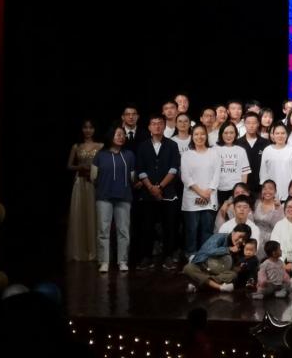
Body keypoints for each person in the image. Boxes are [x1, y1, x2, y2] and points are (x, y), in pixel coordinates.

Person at [134, 115, 181, 270]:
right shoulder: (143, 146)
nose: (157, 126)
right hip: (147, 194)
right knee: (147, 227)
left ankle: (168, 257)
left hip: (168, 193)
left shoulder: (172, 145)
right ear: (149, 127)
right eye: (153, 124)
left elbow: (174, 169)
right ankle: (146, 257)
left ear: (164, 126)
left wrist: (160, 187)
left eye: (160, 123)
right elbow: (140, 170)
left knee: (169, 227)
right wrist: (151, 188)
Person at [93, 125, 137, 273]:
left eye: (123, 134)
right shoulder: (100, 155)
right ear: (110, 136)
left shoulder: (129, 155)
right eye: (118, 134)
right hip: (104, 197)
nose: (121, 137)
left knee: (123, 230)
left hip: (124, 197)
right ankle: (104, 262)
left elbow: (132, 177)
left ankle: (122, 261)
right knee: (103, 230)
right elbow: (93, 177)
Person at [181, 124, 221, 260]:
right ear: (192, 137)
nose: (199, 137)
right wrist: (201, 193)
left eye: (202, 134)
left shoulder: (214, 153)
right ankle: (191, 255)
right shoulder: (187, 155)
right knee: (191, 230)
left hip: (210, 197)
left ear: (206, 136)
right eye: (196, 134)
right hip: (191, 198)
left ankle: (205, 256)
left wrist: (207, 192)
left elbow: (216, 175)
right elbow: (186, 177)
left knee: (207, 229)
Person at [67, 119, 103, 262]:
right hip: (80, 183)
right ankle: (79, 250)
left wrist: (94, 171)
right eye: (85, 127)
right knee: (80, 214)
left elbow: (104, 166)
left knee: (94, 214)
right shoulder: (76, 146)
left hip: (94, 183)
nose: (88, 130)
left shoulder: (100, 146)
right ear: (82, 129)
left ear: (95, 129)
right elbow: (69, 165)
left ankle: (94, 251)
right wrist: (80, 167)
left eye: (91, 127)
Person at [183, 223, 252, 294]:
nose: (241, 240)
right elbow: (208, 251)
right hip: (203, 268)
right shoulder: (219, 237)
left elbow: (233, 266)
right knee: (188, 268)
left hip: (218, 274)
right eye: (240, 236)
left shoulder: (240, 248)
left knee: (233, 275)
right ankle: (219, 287)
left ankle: (198, 283)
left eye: (244, 239)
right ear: (233, 232)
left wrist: (238, 267)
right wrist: (228, 249)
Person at [258, 123, 292, 201]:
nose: (280, 136)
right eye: (277, 133)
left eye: (283, 133)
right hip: (271, 193)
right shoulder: (267, 150)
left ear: (287, 135)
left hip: (289, 192)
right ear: (273, 135)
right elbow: (263, 173)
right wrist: (265, 190)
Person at [214, 122, 251, 206]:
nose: (229, 135)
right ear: (221, 134)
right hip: (219, 189)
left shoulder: (241, 150)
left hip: (236, 191)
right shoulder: (214, 150)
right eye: (226, 133)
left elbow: (244, 173)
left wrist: (242, 191)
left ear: (235, 134)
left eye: (231, 133)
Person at [235, 112, 269, 193]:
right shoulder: (237, 143)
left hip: (261, 186)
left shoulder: (266, 143)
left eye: (254, 123)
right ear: (244, 124)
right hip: (242, 185)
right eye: (248, 123)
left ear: (258, 124)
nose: (251, 126)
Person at [269, 196, 292, 271]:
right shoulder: (279, 224)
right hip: (280, 260)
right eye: (288, 207)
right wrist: (281, 262)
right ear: (284, 210)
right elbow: (273, 245)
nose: (291, 209)